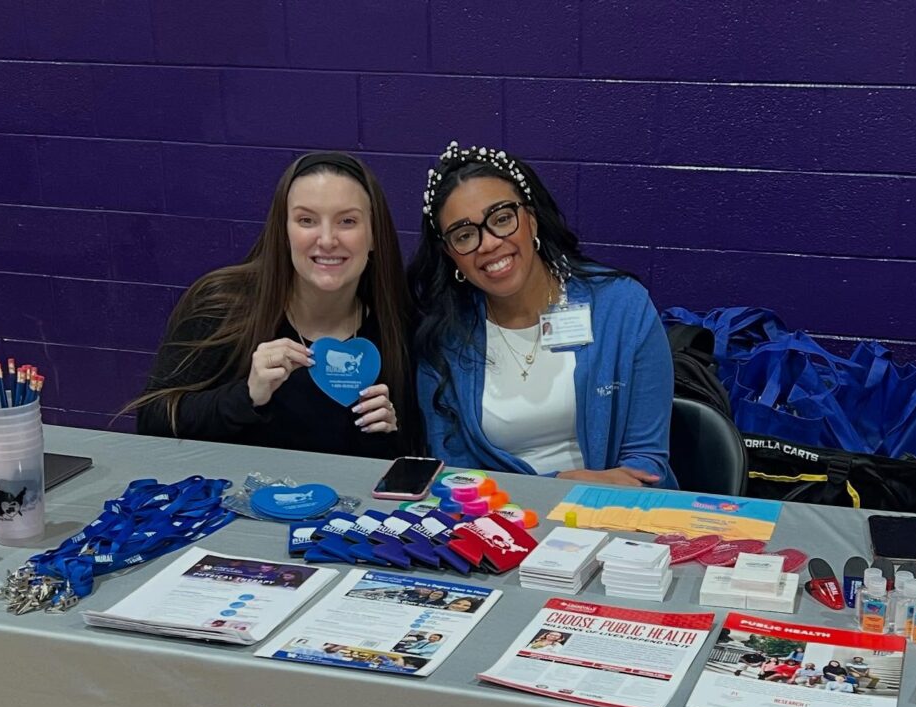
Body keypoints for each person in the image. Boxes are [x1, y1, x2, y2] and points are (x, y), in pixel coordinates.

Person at [410, 142, 676, 488]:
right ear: (451, 254)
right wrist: (562, 482)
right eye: (464, 235)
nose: (488, 243)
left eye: (502, 218)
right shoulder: (445, 339)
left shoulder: (622, 306)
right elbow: (455, 476)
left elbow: (646, 464)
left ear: (531, 220)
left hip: (619, 512)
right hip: (500, 519)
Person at [131, 152, 414, 457]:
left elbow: (406, 462)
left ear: (373, 234)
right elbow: (152, 420)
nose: (328, 239)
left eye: (347, 221)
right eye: (307, 220)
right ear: (283, 232)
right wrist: (247, 395)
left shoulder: (397, 325)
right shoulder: (221, 304)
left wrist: (385, 435)